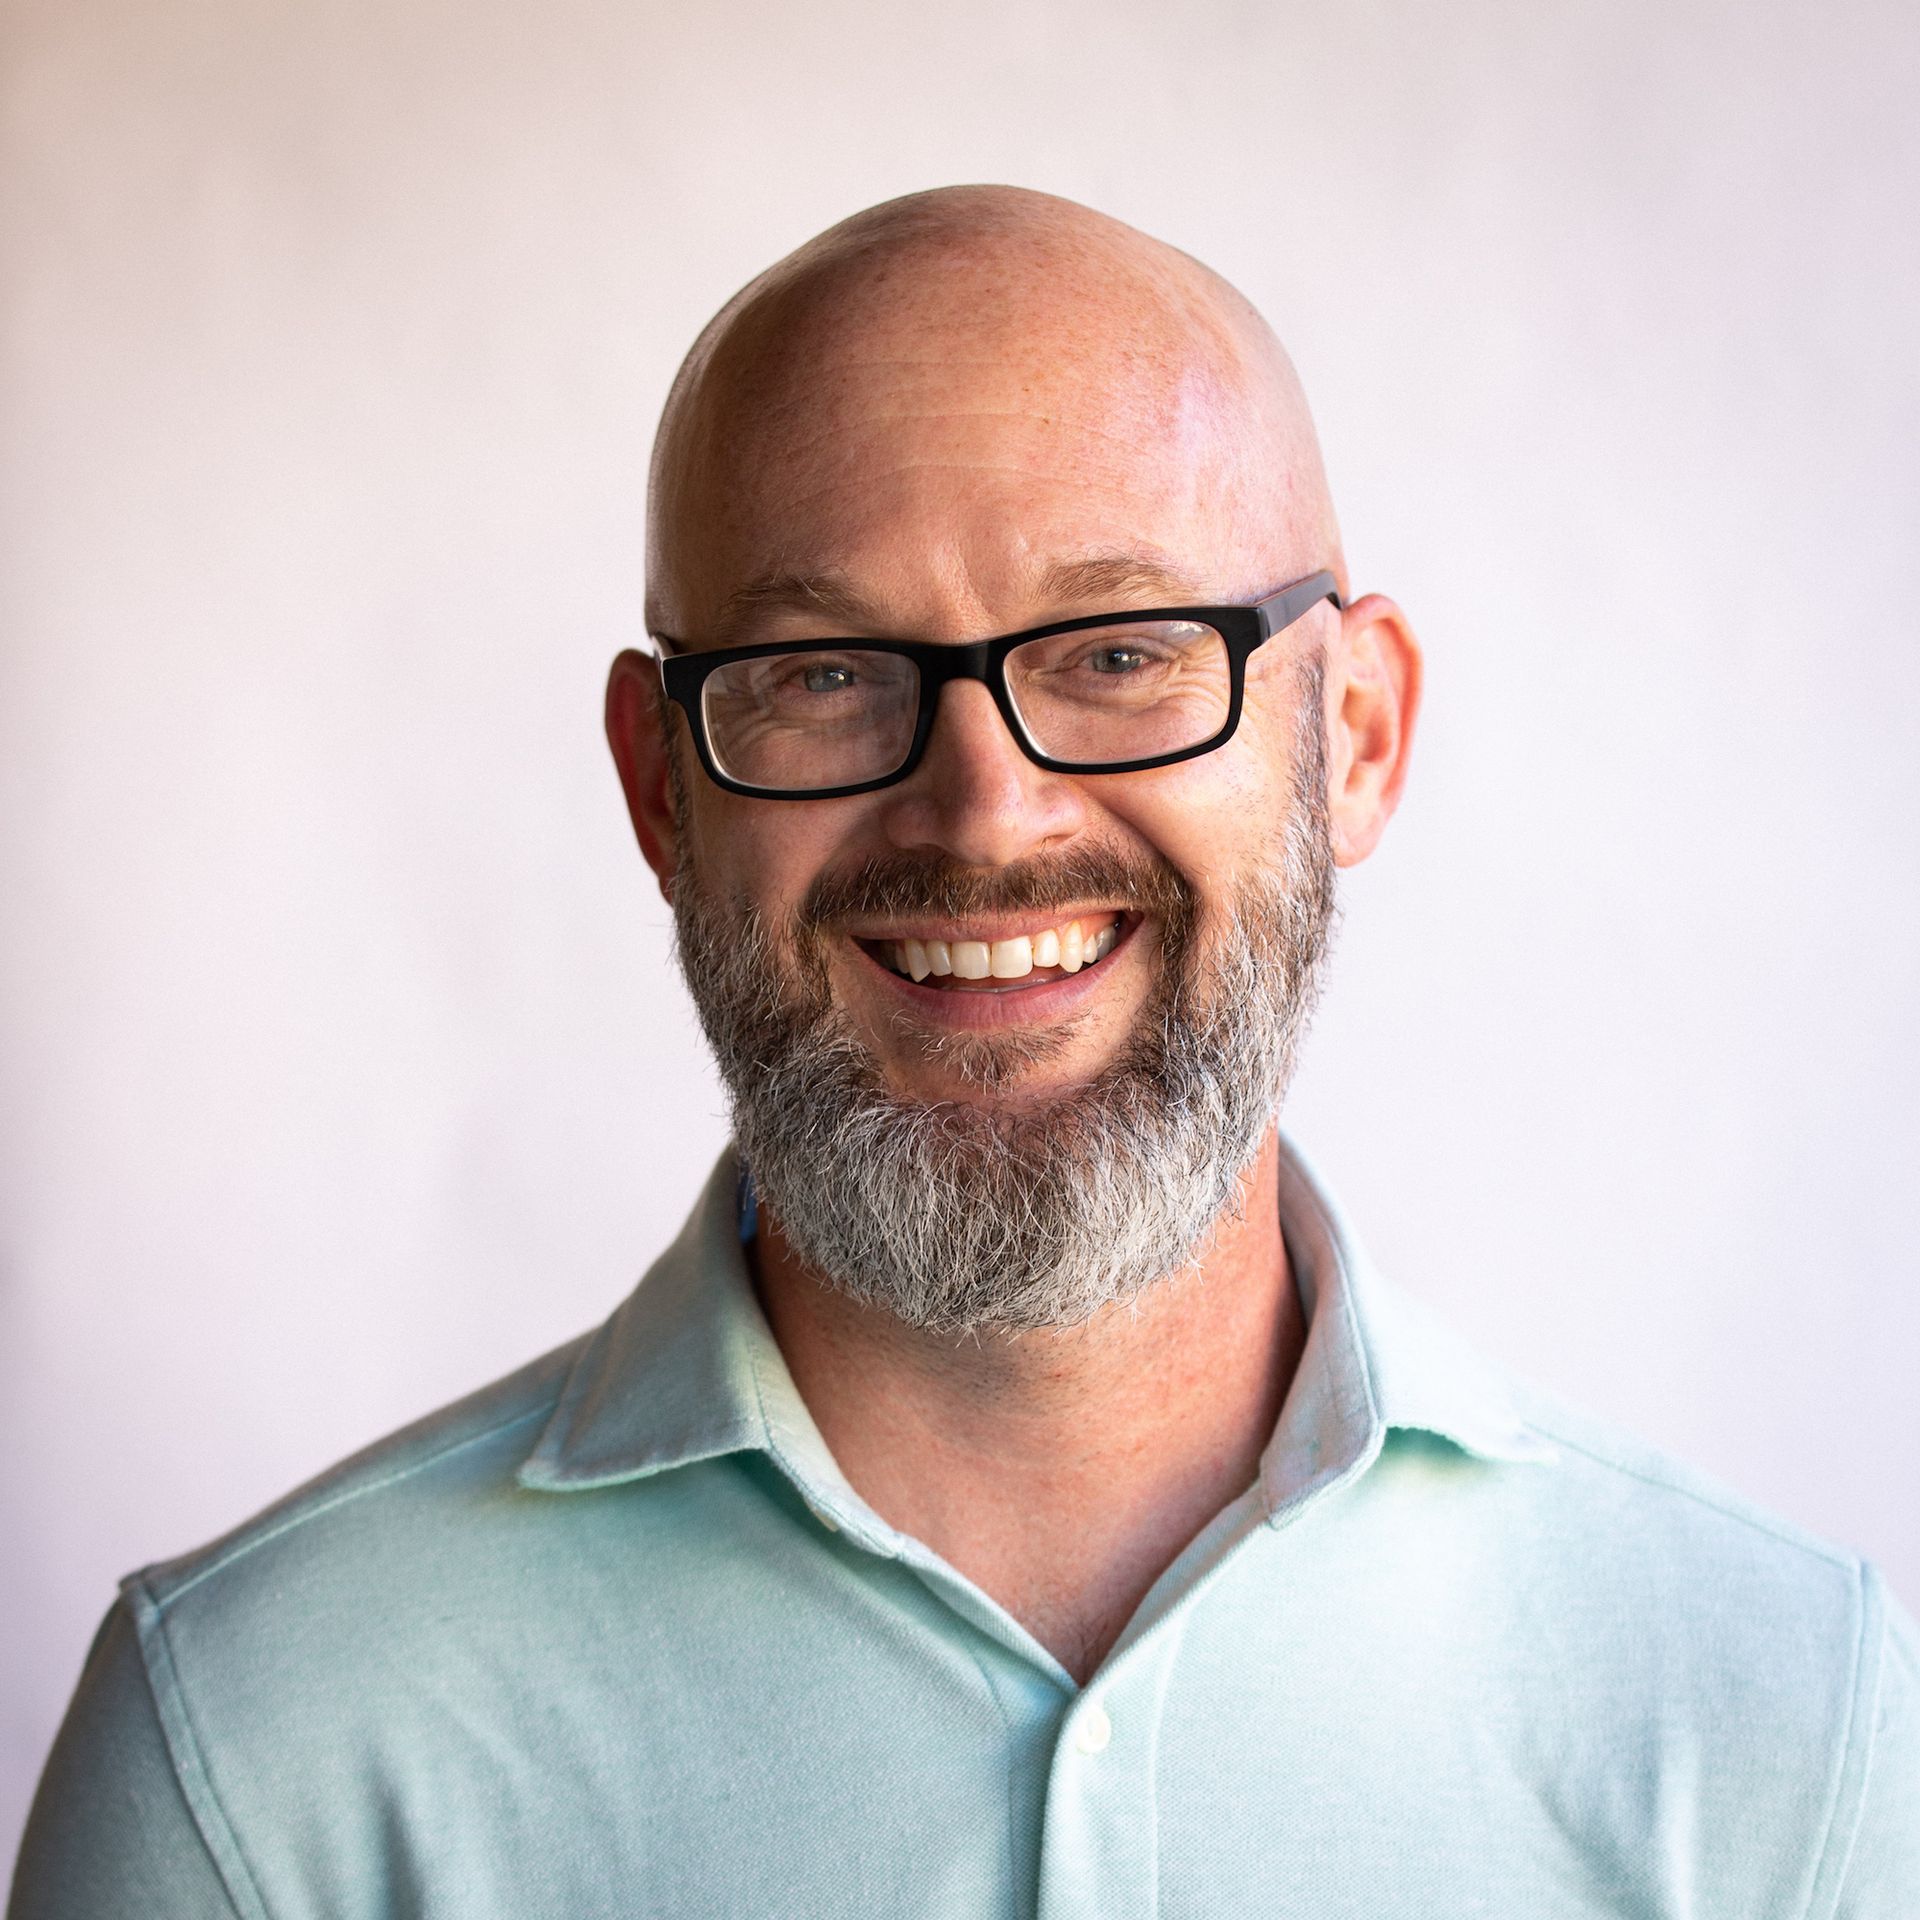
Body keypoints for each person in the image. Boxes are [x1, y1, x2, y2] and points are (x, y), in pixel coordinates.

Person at [10, 185, 1916, 1918]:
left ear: (1356, 740)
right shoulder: (254, 1756)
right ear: (662, 789)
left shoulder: (1797, 1733)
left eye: (1119, 651)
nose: (988, 817)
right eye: (824, 675)